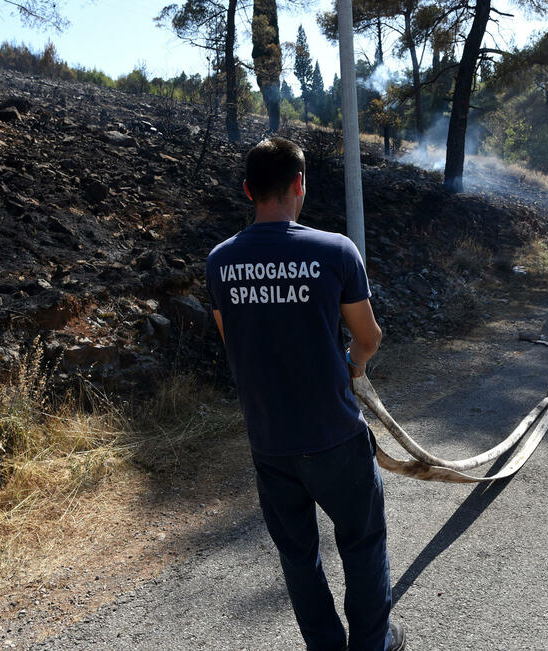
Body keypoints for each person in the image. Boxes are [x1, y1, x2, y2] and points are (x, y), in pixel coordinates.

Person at [205, 137, 406, 651]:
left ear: (249, 190)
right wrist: (354, 366)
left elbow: (236, 342)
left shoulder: (220, 262)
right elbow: (369, 337)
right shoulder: (335, 251)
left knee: (298, 555)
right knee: (362, 544)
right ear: (299, 185)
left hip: (269, 439)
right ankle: (372, 645)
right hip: (334, 437)